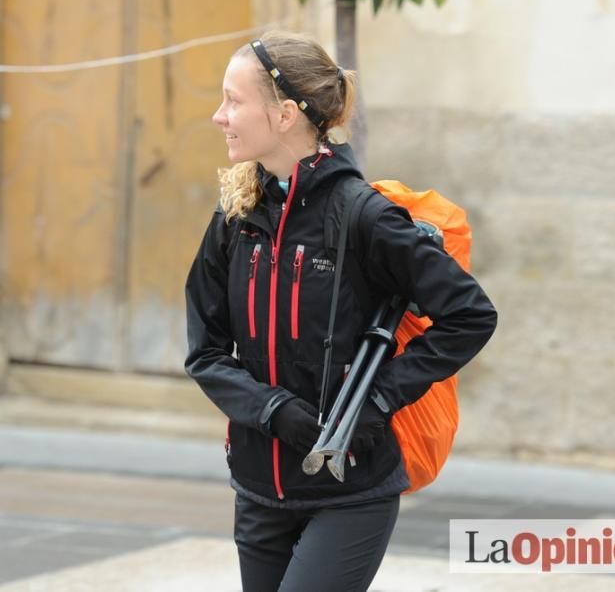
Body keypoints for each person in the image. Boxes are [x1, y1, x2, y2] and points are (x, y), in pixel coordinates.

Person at [184, 30, 497, 591]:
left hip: (350, 489)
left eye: (234, 101)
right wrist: (273, 410)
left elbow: (470, 316)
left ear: (284, 114)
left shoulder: (365, 217)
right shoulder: (236, 215)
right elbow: (205, 353)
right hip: (258, 488)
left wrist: (379, 398)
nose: (219, 116)